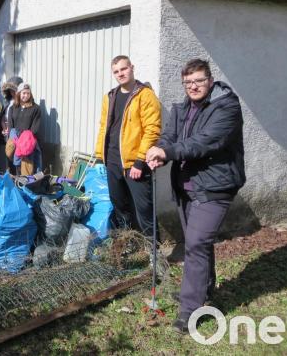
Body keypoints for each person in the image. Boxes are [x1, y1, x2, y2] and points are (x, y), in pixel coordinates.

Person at [145, 58, 245, 335]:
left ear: (210, 81)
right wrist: (159, 153)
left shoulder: (226, 107)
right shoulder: (182, 109)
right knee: (196, 242)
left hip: (214, 188)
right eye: (188, 82)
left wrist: (169, 152)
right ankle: (202, 288)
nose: (193, 86)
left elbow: (206, 142)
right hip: (187, 186)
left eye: (199, 80)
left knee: (197, 244)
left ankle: (191, 310)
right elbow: (169, 138)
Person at [94, 55, 162, 237]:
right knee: (119, 206)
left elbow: (152, 130)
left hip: (134, 164)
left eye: (123, 69)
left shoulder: (145, 95)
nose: (120, 74)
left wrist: (140, 161)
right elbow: (103, 127)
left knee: (144, 209)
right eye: (116, 71)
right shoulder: (110, 97)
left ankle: (154, 255)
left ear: (132, 67)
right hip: (113, 161)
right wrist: (100, 157)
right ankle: (127, 246)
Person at [4, 83, 42, 174]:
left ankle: (26, 185)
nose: (26, 95)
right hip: (15, 139)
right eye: (24, 93)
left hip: (27, 141)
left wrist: (25, 140)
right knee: (13, 162)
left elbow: (35, 128)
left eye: (28, 93)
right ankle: (15, 182)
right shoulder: (13, 108)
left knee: (26, 168)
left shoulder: (35, 108)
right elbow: (10, 125)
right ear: (19, 93)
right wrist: (13, 139)